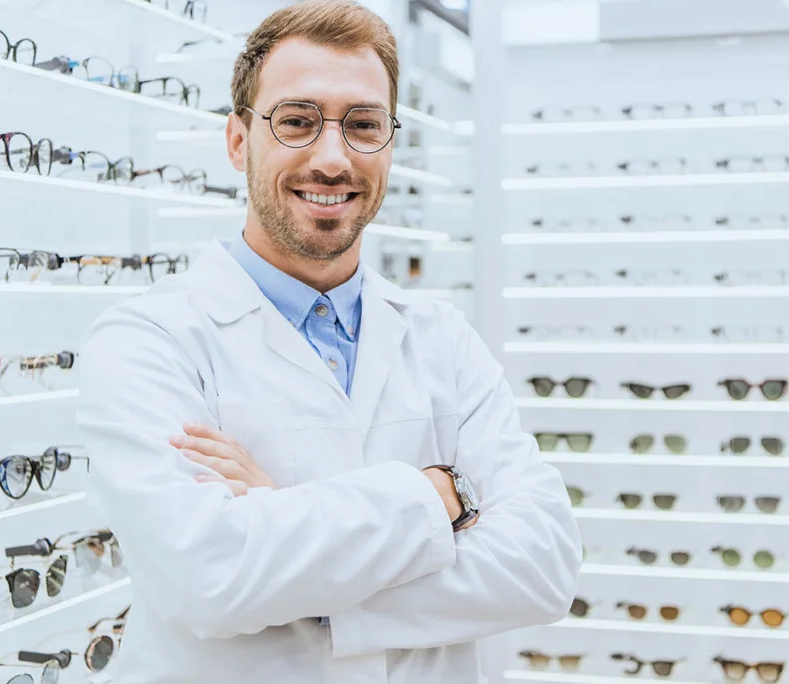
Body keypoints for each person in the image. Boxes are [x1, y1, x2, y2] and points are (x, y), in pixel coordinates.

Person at [76, 1, 582, 682]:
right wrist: (438, 495)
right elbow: (207, 577)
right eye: (296, 121)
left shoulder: (445, 342)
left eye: (363, 125)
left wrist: (294, 559)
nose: (333, 157)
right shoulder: (147, 343)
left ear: (390, 144)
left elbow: (542, 566)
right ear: (237, 140)